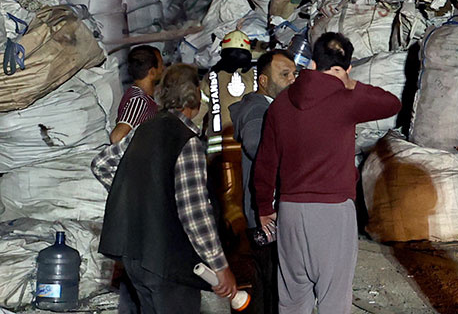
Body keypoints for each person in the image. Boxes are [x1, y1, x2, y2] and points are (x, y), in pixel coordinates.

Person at [253, 32, 400, 314]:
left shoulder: (280, 104)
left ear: (310, 63)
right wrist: (351, 83)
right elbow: (391, 104)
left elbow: (266, 161)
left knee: (293, 301)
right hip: (333, 211)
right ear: (346, 67)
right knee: (333, 300)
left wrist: (263, 206)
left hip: (290, 211)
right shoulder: (345, 98)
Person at [93, 64, 238, 313]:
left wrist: (137, 197)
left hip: (136, 257)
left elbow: (102, 164)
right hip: (169, 262)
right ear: (194, 98)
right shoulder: (186, 141)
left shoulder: (144, 129)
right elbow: (194, 214)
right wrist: (220, 266)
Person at [230, 49, 299, 314]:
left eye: (294, 73)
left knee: (268, 284)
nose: (292, 79)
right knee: (274, 286)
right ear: (264, 81)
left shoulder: (273, 109)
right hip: (265, 215)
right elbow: (256, 145)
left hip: (264, 213)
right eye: (284, 74)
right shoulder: (259, 110)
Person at [109, 45, 164, 144]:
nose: (163, 69)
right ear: (152, 72)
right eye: (161, 65)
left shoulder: (141, 97)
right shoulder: (139, 100)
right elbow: (117, 137)